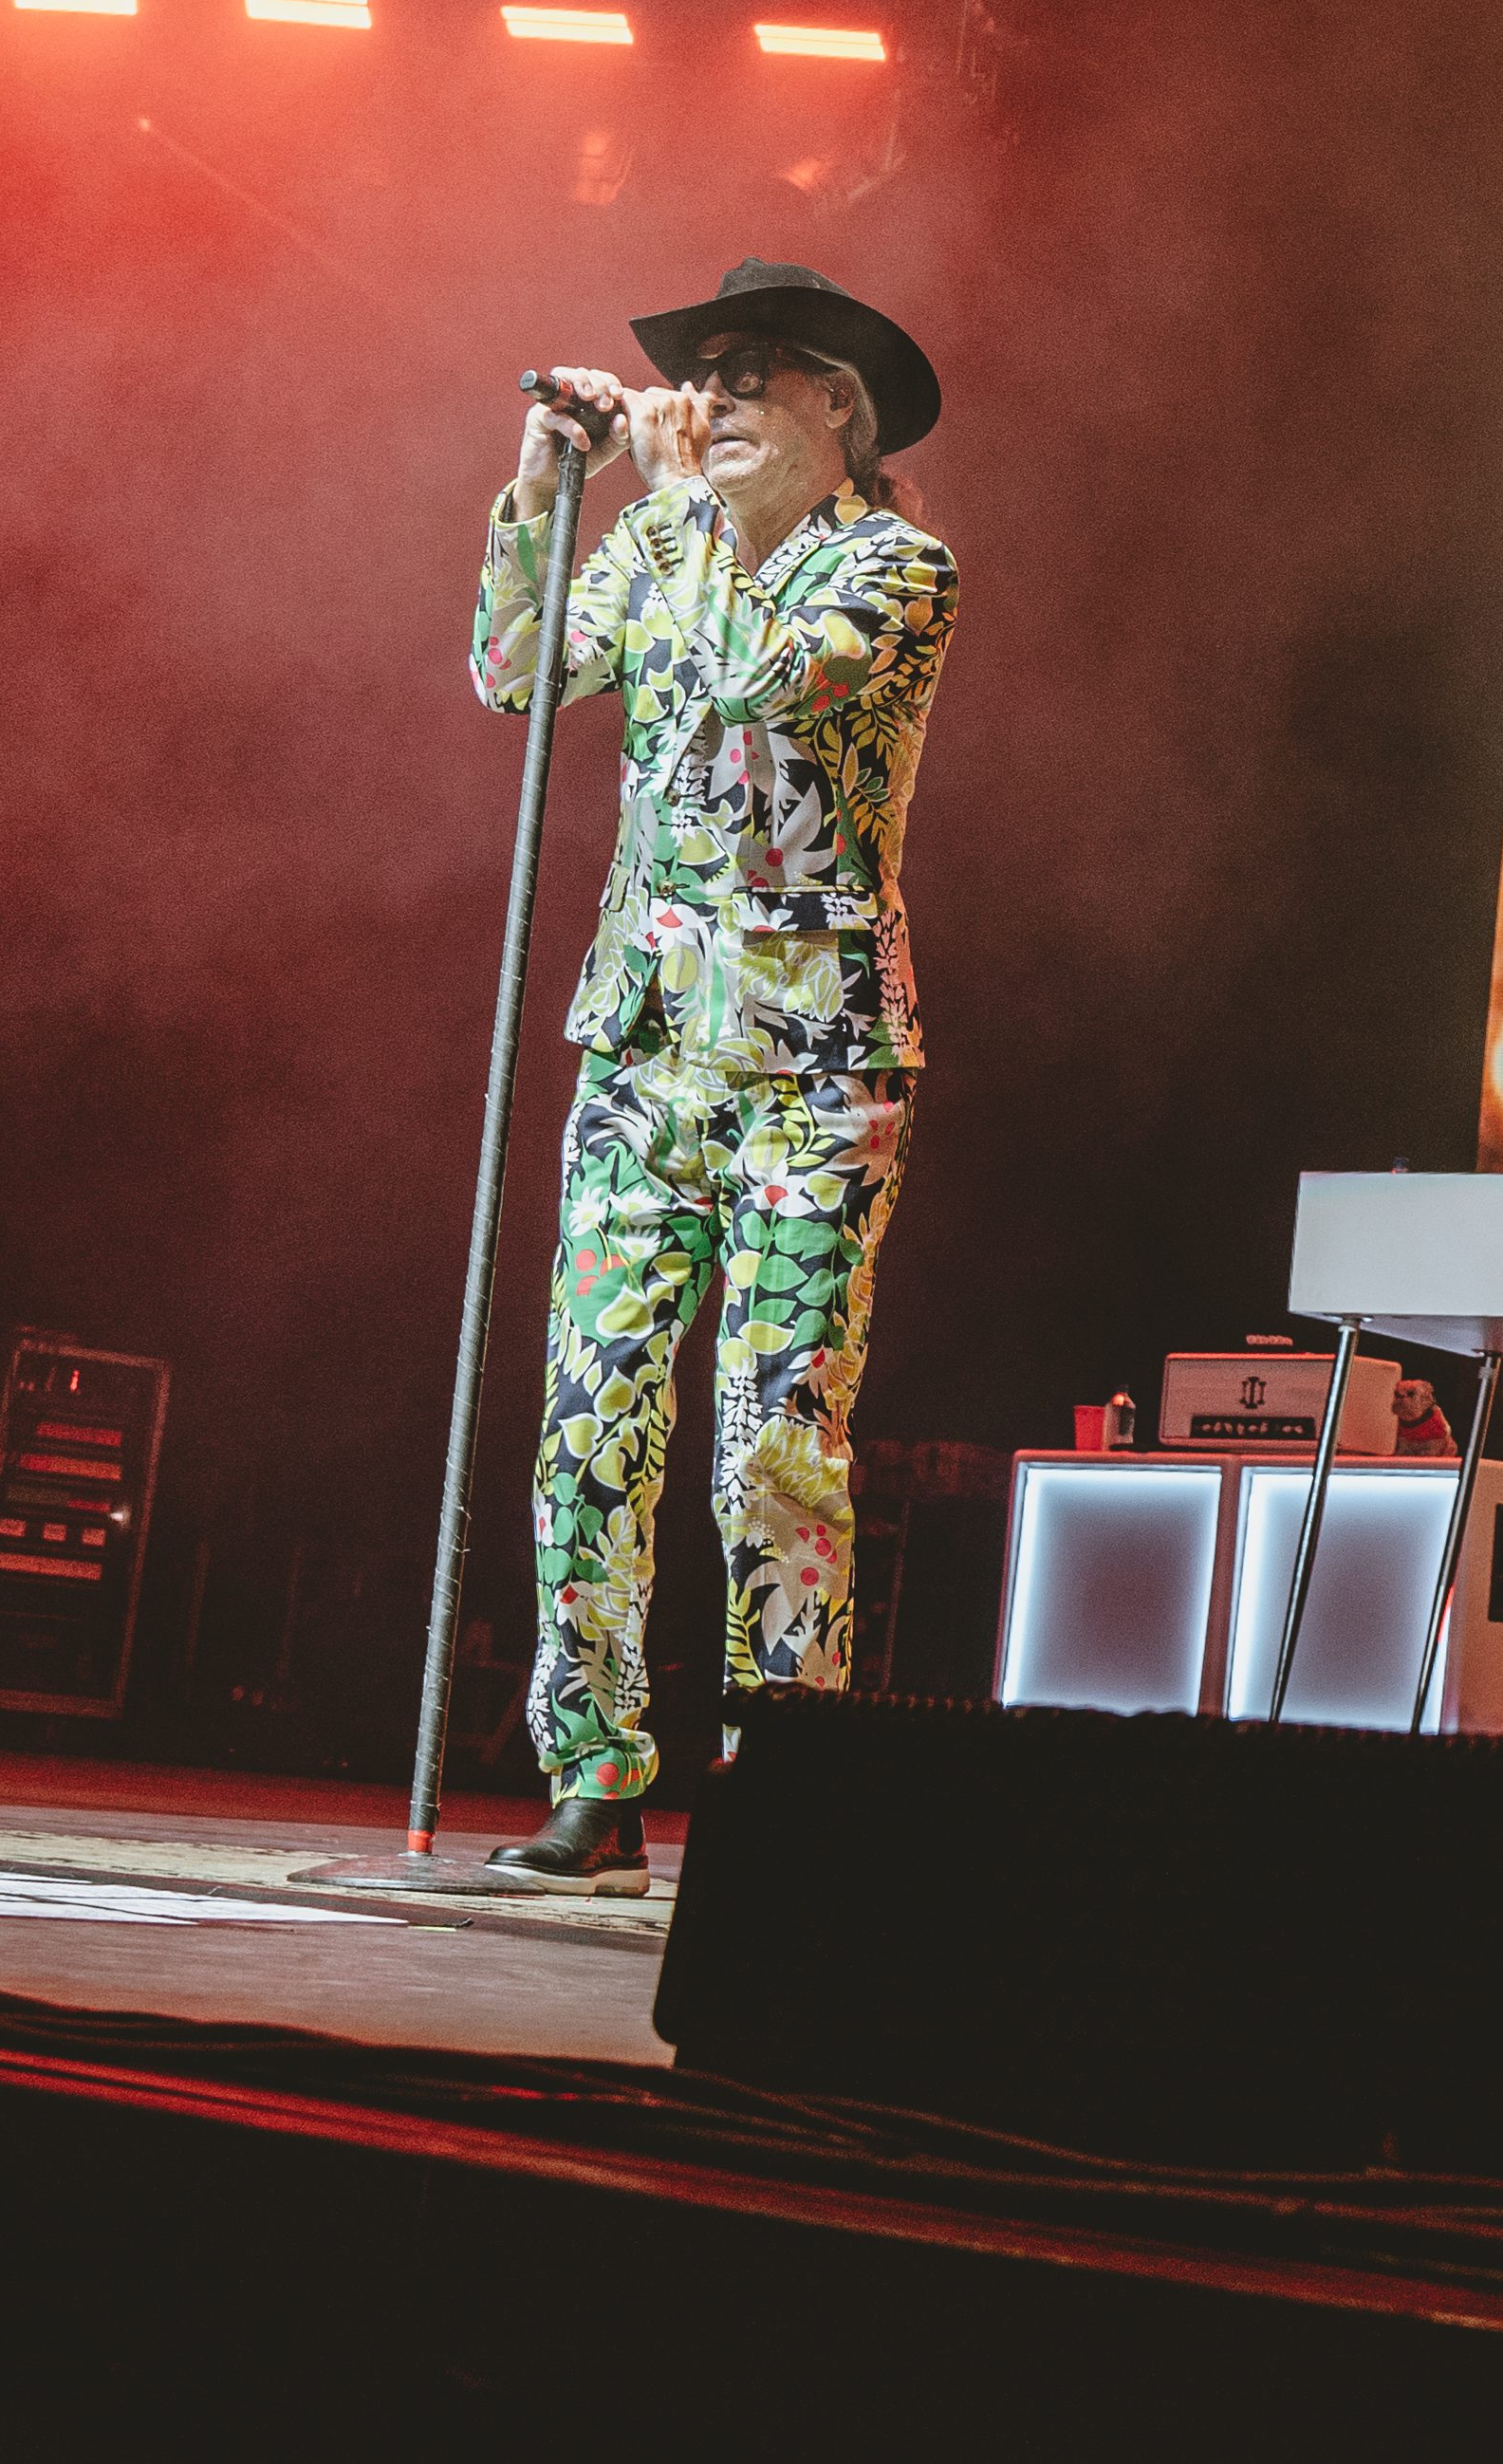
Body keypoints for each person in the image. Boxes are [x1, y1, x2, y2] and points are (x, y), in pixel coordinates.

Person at [473, 259, 960, 1896]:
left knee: (774, 1434)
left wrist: (678, 490)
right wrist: (544, 493)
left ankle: (781, 1784)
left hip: (817, 1064)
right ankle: (590, 1773)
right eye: (711, 372)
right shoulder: (652, 532)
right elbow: (514, 672)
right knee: (589, 1411)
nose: (726, 392)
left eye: (763, 370)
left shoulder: (897, 567)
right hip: (642, 1043)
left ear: (842, 407)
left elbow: (762, 677)